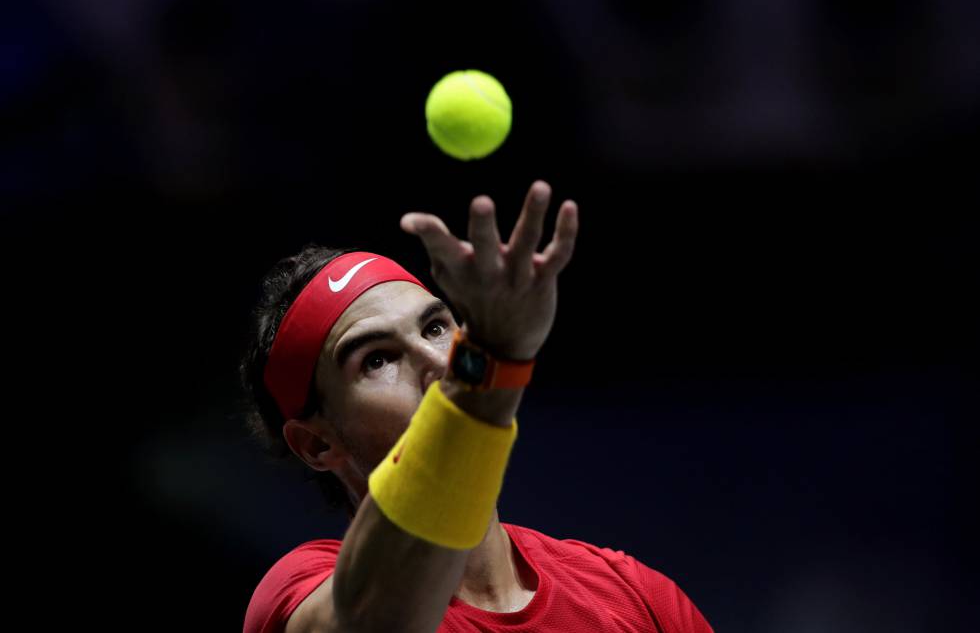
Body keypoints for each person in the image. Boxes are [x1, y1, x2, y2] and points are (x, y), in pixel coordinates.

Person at [240, 180, 713, 632]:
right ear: (316, 443)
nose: (437, 362)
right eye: (377, 359)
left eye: (435, 328)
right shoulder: (298, 594)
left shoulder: (632, 594)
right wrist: (488, 362)